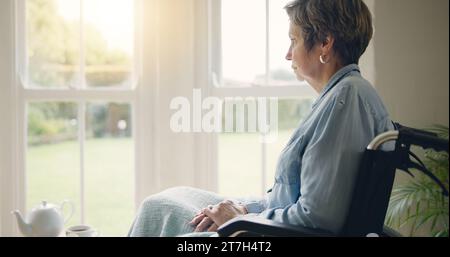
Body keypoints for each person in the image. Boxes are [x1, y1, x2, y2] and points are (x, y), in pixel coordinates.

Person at [128, 0, 393, 237]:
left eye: (294, 40)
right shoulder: (339, 96)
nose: (288, 54)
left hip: (273, 234)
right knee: (168, 200)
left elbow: (318, 217)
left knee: (161, 209)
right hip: (272, 221)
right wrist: (244, 208)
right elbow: (295, 201)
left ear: (325, 42)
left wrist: (241, 219)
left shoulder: (347, 100)